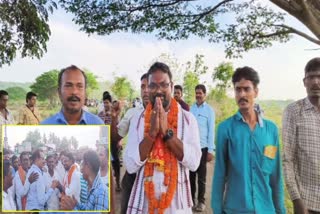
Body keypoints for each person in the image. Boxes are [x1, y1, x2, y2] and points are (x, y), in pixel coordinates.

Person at [124, 62, 201, 214]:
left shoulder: (188, 119)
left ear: (171, 87)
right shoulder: (137, 120)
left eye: (164, 85)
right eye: (153, 86)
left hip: (176, 206)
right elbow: (130, 165)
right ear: (147, 88)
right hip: (145, 205)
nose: (158, 90)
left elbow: (194, 163)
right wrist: (151, 134)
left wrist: (167, 132)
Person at [212, 66, 286, 213]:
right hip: (236, 209)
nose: (242, 94)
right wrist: (217, 209)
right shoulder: (225, 129)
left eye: (247, 89)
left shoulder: (270, 130)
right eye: (238, 90)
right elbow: (220, 173)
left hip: (266, 209)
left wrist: (280, 210)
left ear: (256, 92)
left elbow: (275, 176)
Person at [282, 57, 320, 214]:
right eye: (311, 77)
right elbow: (287, 159)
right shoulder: (293, 110)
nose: (316, 82)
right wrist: (297, 201)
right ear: (304, 82)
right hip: (307, 203)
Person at [117, 73, 149, 214]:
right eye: (143, 86)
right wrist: (114, 117)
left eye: (150, 86)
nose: (146, 90)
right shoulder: (133, 113)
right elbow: (117, 135)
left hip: (153, 174)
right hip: (132, 174)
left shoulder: (167, 114)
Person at [189, 84, 215, 212]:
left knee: (202, 177)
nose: (198, 95)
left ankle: (201, 201)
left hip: (203, 148)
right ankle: (191, 201)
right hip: (191, 148)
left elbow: (211, 131)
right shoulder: (190, 109)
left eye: (200, 93)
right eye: (196, 93)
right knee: (191, 175)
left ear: (205, 94)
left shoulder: (209, 111)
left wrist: (211, 150)